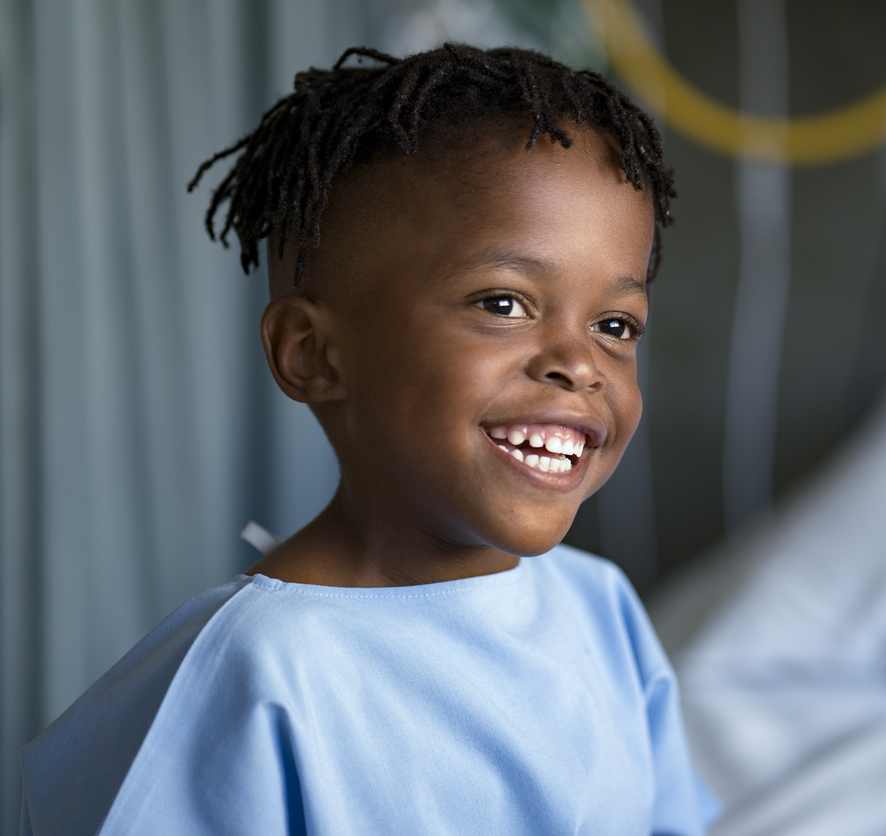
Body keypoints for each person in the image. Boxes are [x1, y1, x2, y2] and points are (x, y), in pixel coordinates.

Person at [19, 44, 718, 835]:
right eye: (502, 303)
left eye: (615, 325)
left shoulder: (601, 612)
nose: (578, 364)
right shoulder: (253, 679)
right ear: (315, 356)